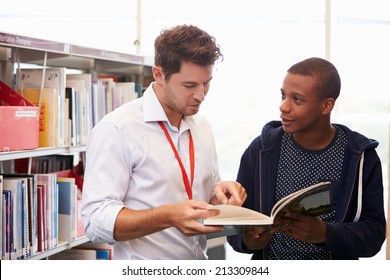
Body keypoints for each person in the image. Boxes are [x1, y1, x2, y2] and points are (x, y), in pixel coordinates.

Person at [81, 24, 247, 260]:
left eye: (206, 83)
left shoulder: (202, 127)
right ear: (159, 74)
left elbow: (205, 194)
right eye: (189, 85)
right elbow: (95, 221)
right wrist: (168, 216)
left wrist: (220, 194)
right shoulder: (117, 129)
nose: (200, 95)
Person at [227, 57, 386, 260]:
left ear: (326, 106)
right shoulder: (261, 149)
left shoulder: (361, 155)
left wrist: (325, 234)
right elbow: (234, 226)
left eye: (297, 99)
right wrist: (248, 241)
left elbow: (374, 236)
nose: (284, 107)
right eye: (283, 95)